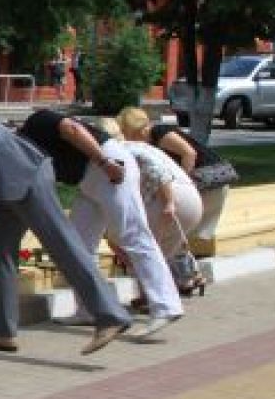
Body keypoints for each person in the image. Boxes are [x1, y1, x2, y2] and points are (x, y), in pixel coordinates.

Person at [0, 103, 132, 355]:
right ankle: (0, 332)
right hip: (6, 186)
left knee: (61, 243)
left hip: (23, 172)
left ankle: (110, 315)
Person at [17, 109, 183, 338]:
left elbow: (72, 129)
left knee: (134, 235)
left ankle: (166, 306)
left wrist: (105, 163)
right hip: (90, 180)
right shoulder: (27, 151)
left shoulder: (37, 121)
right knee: (76, 244)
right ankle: (88, 309)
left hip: (109, 166)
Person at [104, 116, 204, 296]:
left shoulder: (121, 151)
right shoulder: (142, 146)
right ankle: (162, 294)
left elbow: (157, 173)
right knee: (158, 254)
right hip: (193, 200)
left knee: (139, 249)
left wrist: (169, 202)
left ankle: (153, 298)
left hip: (168, 199)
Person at [120, 107, 235, 257]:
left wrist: (185, 182)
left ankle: (181, 270)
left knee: (176, 232)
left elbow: (189, 153)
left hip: (208, 180)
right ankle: (188, 271)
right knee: (181, 234)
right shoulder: (153, 139)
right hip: (214, 182)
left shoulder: (159, 132)